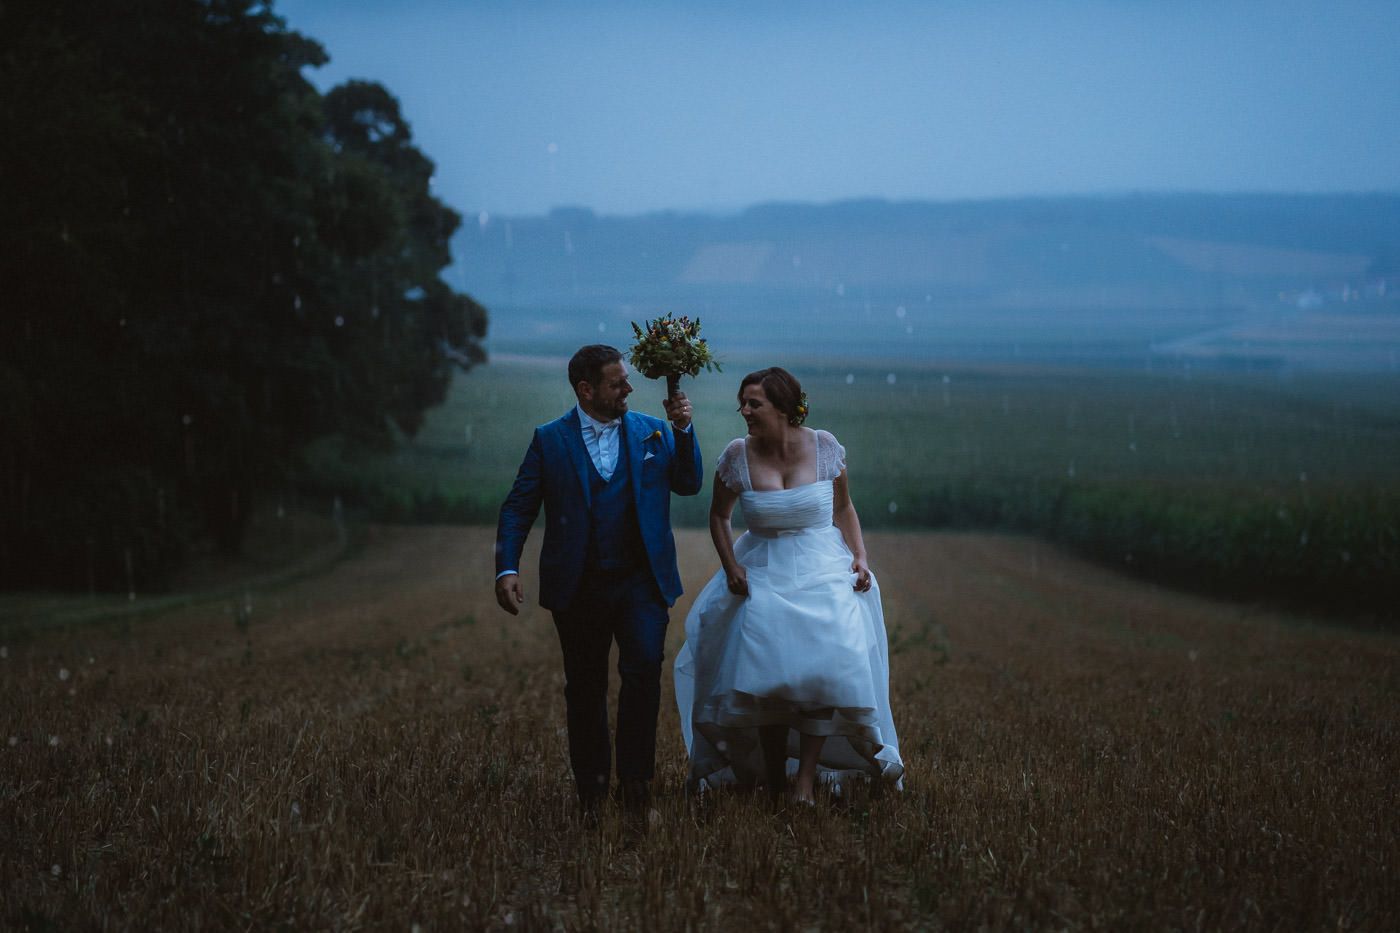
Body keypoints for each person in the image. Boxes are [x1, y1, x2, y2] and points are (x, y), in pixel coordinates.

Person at [674, 367, 903, 804]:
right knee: (769, 679)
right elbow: (719, 517)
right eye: (741, 403)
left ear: (782, 408)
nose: (744, 411)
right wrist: (731, 568)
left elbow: (844, 509)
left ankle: (805, 783)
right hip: (760, 571)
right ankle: (774, 776)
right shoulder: (737, 455)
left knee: (821, 677)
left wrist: (859, 555)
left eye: (753, 404)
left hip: (822, 569)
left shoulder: (824, 447)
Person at [495, 345, 702, 815]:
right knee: (585, 687)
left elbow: (689, 483)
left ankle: (635, 785)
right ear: (586, 390)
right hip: (579, 586)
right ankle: (591, 790)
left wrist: (683, 430)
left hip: (642, 584)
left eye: (627, 379)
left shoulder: (653, 431)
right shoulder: (549, 439)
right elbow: (518, 507)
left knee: (644, 674)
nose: (629, 388)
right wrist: (507, 566)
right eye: (617, 383)